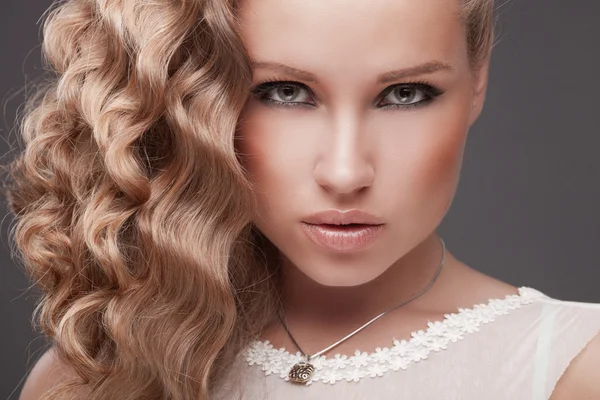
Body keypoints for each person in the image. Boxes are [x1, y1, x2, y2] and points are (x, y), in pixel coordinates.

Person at [10, 0, 600, 399]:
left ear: (478, 85)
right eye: (285, 92)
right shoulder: (94, 375)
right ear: (199, 99)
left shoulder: (574, 369)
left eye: (405, 93)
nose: (346, 172)